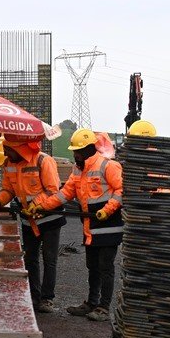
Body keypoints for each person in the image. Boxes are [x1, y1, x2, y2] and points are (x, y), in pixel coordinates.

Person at [30, 128, 123, 323]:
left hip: (108, 226)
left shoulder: (109, 166)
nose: (75, 154)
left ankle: (104, 307)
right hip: (90, 226)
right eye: (74, 151)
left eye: (78, 151)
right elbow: (64, 194)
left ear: (90, 148)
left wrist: (108, 209)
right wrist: (41, 207)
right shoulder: (78, 170)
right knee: (92, 266)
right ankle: (91, 303)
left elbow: (121, 190)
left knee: (105, 267)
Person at [0, 138, 65, 312]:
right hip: (28, 219)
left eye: (7, 149)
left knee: (49, 258)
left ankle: (47, 299)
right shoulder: (9, 163)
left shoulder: (43, 160)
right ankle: (33, 296)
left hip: (49, 217)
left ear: (19, 148)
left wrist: (36, 204)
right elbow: (8, 189)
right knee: (30, 258)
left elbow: (53, 189)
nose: (5, 153)